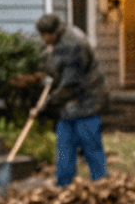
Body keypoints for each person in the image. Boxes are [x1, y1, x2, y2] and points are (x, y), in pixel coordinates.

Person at [35, 13, 106, 186]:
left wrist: (47, 103)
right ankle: (64, 185)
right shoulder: (58, 41)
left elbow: (71, 84)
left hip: (86, 102)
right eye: (42, 35)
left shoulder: (72, 45)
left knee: (91, 148)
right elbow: (54, 69)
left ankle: (102, 186)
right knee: (64, 148)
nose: (44, 39)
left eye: (46, 35)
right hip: (68, 107)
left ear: (54, 31)